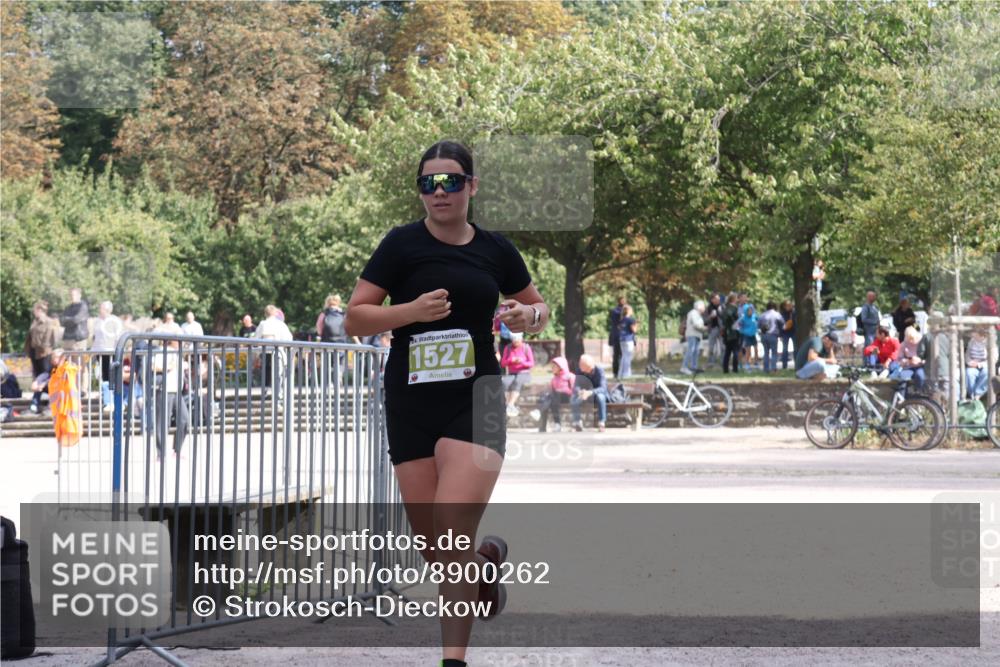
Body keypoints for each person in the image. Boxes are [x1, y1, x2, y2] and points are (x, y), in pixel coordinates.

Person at [343, 139, 548, 665]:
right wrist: (408, 311)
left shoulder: (496, 250)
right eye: (429, 183)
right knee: (439, 552)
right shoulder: (400, 246)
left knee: (452, 534)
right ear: (420, 192)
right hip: (410, 403)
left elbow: (537, 307)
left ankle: (451, 660)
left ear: (471, 187)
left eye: (451, 181)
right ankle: (485, 562)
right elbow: (356, 317)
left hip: (474, 400)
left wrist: (531, 318)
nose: (440, 192)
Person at [25, 301, 59, 413]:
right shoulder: (35, 322)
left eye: (35, 310)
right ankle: (36, 402)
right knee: (37, 379)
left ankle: (43, 402)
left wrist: (44, 349)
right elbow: (30, 338)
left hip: (45, 354)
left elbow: (49, 339)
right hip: (35, 354)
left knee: (45, 378)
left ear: (40, 310)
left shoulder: (49, 322)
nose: (34, 313)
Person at [92, 301, 124, 410]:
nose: (99, 310)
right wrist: (93, 351)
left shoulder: (115, 321)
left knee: (113, 378)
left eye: (101, 308)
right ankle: (107, 401)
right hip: (101, 354)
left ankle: (115, 401)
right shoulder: (98, 322)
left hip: (112, 353)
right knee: (105, 377)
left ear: (107, 310)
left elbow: (118, 337)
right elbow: (95, 338)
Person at [255, 304, 293, 389]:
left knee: (266, 371)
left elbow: (256, 339)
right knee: (278, 373)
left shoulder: (263, 324)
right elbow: (289, 338)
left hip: (265, 352)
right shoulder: (281, 324)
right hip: (278, 352)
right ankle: (278, 393)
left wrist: (257, 352)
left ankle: (265, 390)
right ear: (275, 313)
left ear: (265, 314)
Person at [533, 357, 575, 432]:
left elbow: (574, 390)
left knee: (551, 398)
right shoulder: (554, 379)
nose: (552, 368)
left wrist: (561, 390)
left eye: (554, 366)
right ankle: (543, 426)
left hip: (567, 397)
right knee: (546, 399)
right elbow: (552, 390)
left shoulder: (570, 376)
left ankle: (539, 412)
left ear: (560, 366)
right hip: (555, 398)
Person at [571, 354, 609, 432]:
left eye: (582, 365)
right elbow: (576, 385)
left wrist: (590, 392)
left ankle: (602, 423)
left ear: (589, 366)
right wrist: (579, 391)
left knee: (601, 397)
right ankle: (577, 423)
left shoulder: (599, 371)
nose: (580, 366)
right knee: (574, 398)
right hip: (584, 395)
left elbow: (603, 388)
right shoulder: (579, 371)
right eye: (580, 364)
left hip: (595, 395)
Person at [499, 332, 534, 417]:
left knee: (517, 382)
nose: (516, 343)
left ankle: (510, 405)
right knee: (504, 383)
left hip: (524, 373)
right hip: (512, 373)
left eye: (517, 341)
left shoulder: (526, 348)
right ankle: (508, 404)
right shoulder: (508, 348)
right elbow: (503, 363)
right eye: (514, 341)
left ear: (521, 340)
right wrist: (511, 360)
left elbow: (531, 363)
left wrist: (522, 362)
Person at [896, 326, 927, 391]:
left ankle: (919, 394)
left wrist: (921, 361)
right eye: (909, 339)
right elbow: (898, 360)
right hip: (908, 367)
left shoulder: (922, 342)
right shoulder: (904, 344)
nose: (911, 341)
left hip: (920, 366)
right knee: (902, 376)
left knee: (920, 376)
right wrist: (907, 361)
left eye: (912, 338)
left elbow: (928, 357)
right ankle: (902, 398)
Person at [758, 302, 785, 373]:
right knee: (774, 353)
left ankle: (765, 369)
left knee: (766, 353)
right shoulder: (777, 314)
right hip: (773, 335)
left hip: (764, 335)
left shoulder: (762, 315)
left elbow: (758, 325)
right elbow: (783, 323)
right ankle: (773, 368)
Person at [681, 300, 707, 375]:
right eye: (703, 307)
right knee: (691, 350)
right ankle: (684, 367)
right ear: (699, 307)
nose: (704, 308)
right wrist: (704, 328)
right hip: (692, 334)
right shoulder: (693, 313)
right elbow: (696, 324)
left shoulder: (697, 314)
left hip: (697, 335)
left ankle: (693, 367)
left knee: (695, 351)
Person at [965, 329, 990, 400]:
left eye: (974, 332)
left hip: (985, 365)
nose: (972, 334)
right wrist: (969, 362)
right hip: (973, 364)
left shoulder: (989, 342)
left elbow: (993, 358)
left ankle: (978, 393)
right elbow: (967, 355)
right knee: (969, 373)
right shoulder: (971, 341)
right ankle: (972, 395)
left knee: (986, 373)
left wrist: (979, 364)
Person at [721, 293, 741, 374]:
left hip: (727, 332)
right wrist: (734, 321)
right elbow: (731, 318)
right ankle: (735, 369)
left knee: (727, 352)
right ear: (733, 299)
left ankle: (725, 369)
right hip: (733, 332)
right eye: (737, 298)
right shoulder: (733, 308)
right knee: (735, 351)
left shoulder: (725, 308)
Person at [617, 304, 637, 379]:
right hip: (628, 340)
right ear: (628, 311)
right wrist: (636, 324)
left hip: (622, 340)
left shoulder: (622, 320)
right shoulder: (631, 319)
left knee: (624, 356)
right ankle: (626, 374)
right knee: (628, 357)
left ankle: (620, 373)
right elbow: (634, 330)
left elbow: (619, 327)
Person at [608, 296, 626, 377]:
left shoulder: (624, 310)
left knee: (621, 355)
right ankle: (616, 372)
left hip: (621, 335)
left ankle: (621, 371)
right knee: (617, 354)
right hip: (617, 335)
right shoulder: (616, 311)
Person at [738, 303, 759, 371]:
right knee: (748, 351)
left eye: (751, 310)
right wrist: (743, 331)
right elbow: (738, 326)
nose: (750, 312)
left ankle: (756, 363)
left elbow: (759, 321)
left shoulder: (754, 316)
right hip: (746, 336)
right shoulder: (743, 318)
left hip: (753, 335)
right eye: (749, 310)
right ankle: (746, 364)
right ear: (746, 311)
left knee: (756, 349)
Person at [704, 294, 723, 367]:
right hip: (712, 329)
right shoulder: (708, 308)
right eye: (716, 299)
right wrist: (710, 317)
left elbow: (725, 317)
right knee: (711, 346)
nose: (718, 300)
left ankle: (722, 361)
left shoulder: (722, 306)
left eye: (719, 298)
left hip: (721, 328)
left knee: (722, 346)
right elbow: (705, 320)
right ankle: (711, 361)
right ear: (712, 300)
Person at [778, 300, 795, 369]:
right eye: (788, 305)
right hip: (785, 333)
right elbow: (780, 325)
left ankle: (797, 364)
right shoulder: (782, 314)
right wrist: (780, 335)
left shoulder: (794, 312)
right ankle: (784, 365)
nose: (789, 306)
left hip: (793, 332)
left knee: (796, 348)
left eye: (790, 305)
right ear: (784, 306)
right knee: (785, 349)